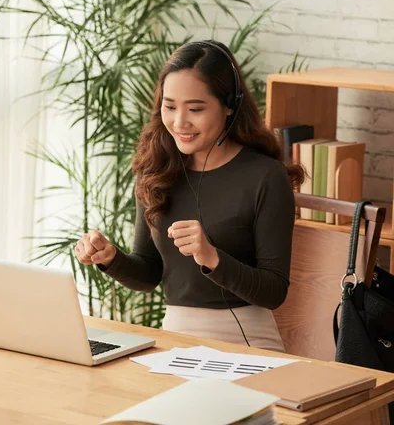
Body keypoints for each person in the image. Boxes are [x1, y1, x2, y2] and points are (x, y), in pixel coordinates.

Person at [74, 40, 304, 350]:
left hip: (247, 346)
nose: (180, 122)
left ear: (229, 105)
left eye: (195, 108)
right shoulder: (155, 169)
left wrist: (211, 257)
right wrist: (111, 258)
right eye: (170, 107)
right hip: (173, 343)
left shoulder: (265, 177)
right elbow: (149, 273)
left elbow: (274, 292)